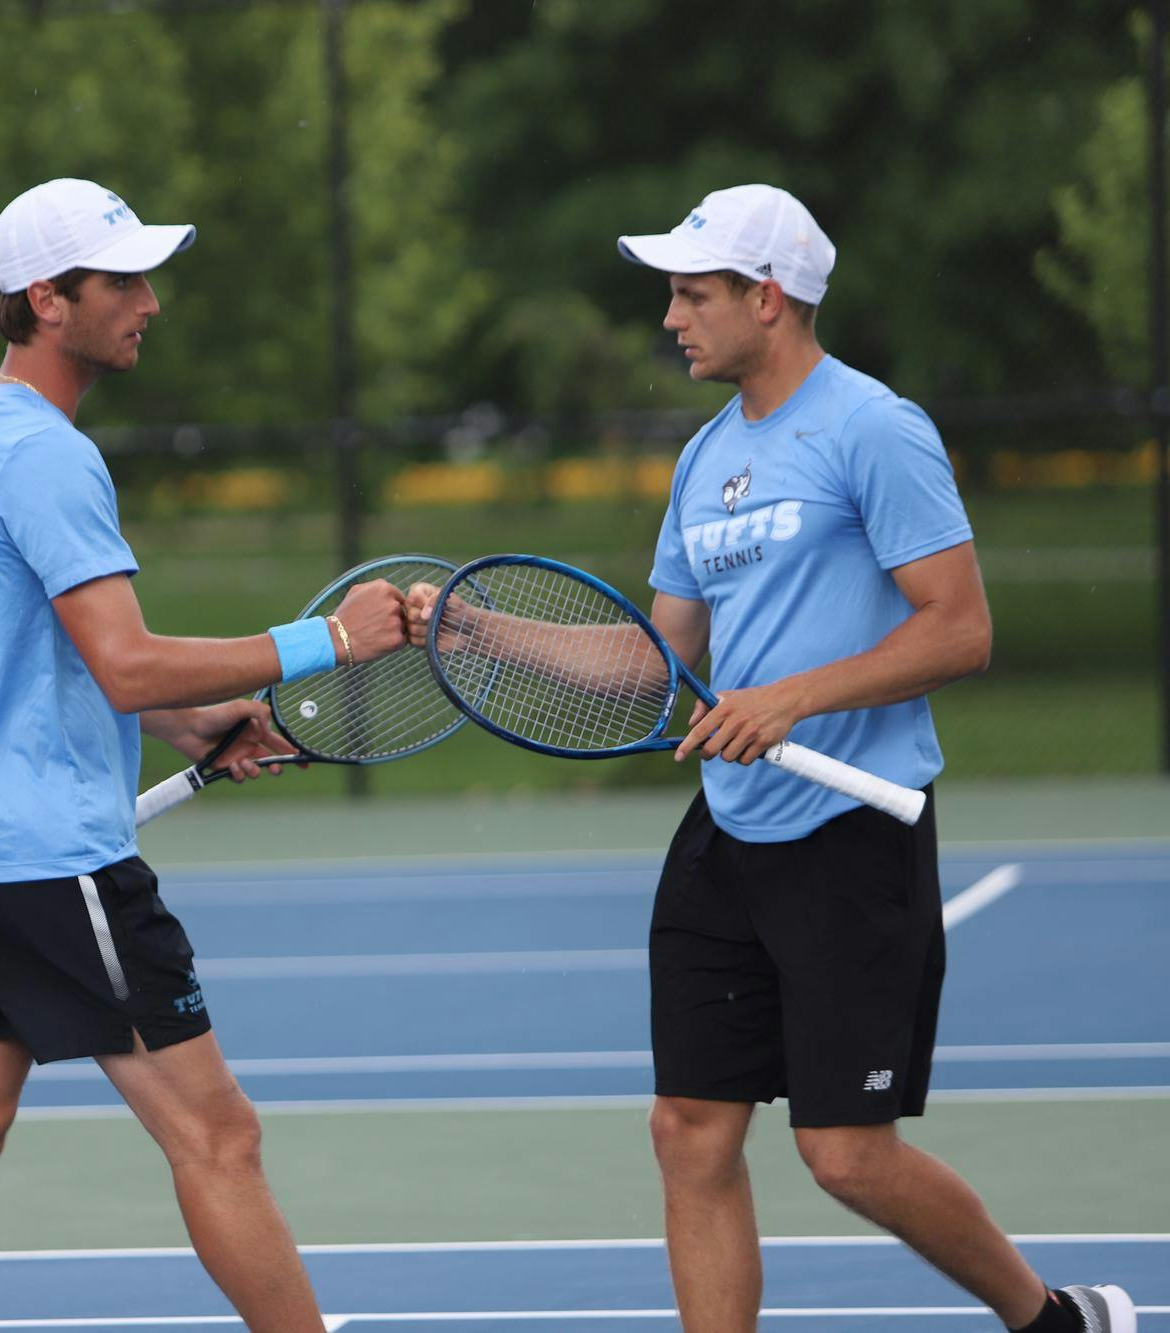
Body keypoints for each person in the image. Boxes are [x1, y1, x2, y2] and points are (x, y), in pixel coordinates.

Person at [408, 184, 1133, 1333]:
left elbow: (958, 626)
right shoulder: (703, 460)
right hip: (725, 832)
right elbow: (655, 661)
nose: (669, 318)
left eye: (692, 295)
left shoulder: (872, 427)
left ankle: (1050, 1318)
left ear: (768, 297)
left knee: (843, 1155)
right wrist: (469, 624)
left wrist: (790, 700)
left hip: (849, 828)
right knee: (686, 1128)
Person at [0, 177, 406, 1333]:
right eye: (121, 281)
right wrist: (327, 641)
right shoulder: (48, 458)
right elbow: (123, 663)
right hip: (55, 862)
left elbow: (30, 653)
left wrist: (192, 723)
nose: (148, 301)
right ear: (46, 300)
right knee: (218, 1134)